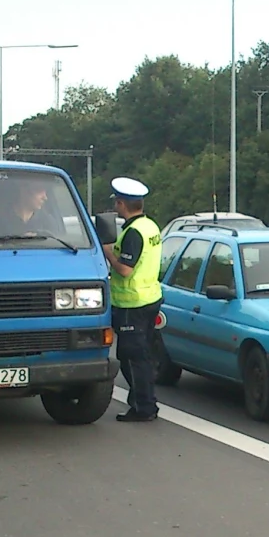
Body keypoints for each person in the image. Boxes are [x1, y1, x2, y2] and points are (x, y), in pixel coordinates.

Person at [101, 176, 163, 423]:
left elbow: (125, 269)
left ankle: (143, 407)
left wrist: (108, 253)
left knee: (132, 358)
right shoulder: (150, 226)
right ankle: (146, 402)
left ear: (121, 204)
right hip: (149, 299)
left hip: (132, 304)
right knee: (143, 355)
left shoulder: (133, 233)